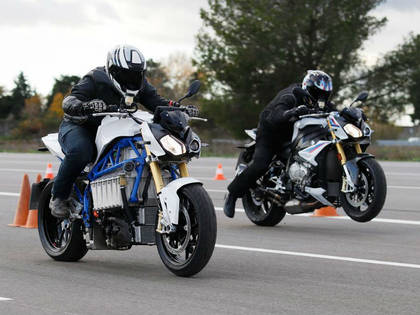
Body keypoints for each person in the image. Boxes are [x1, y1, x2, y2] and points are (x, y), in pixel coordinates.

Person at [50, 44, 177, 218]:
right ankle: (58, 197)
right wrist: (84, 106)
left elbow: (157, 102)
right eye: (125, 74)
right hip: (82, 126)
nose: (130, 79)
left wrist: (177, 108)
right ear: (113, 70)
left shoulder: (141, 85)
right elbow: (69, 101)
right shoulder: (95, 78)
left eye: (135, 74)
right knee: (81, 151)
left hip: (114, 129)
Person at [223, 70, 334, 218]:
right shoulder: (290, 96)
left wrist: (350, 113)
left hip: (294, 135)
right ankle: (232, 194)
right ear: (308, 87)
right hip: (271, 132)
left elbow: (334, 111)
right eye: (317, 92)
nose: (321, 98)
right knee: (260, 165)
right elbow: (275, 115)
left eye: (324, 95)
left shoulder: (320, 103)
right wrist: (291, 112)